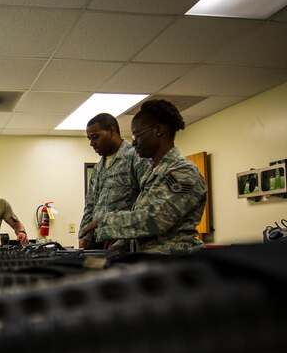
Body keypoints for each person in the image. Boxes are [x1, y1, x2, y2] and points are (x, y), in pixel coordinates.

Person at [79, 99, 207, 254]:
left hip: (173, 263)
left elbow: (155, 219)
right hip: (147, 261)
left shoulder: (183, 171)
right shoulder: (155, 173)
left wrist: (105, 222)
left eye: (137, 135)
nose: (133, 143)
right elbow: (142, 223)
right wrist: (121, 244)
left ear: (158, 130)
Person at [79, 113, 150, 249]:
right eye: (89, 139)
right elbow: (90, 204)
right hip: (98, 240)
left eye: (95, 137)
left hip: (123, 241)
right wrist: (84, 236)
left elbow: (146, 202)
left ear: (111, 131)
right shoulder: (98, 167)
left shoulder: (136, 157)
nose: (92, 143)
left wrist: (124, 237)